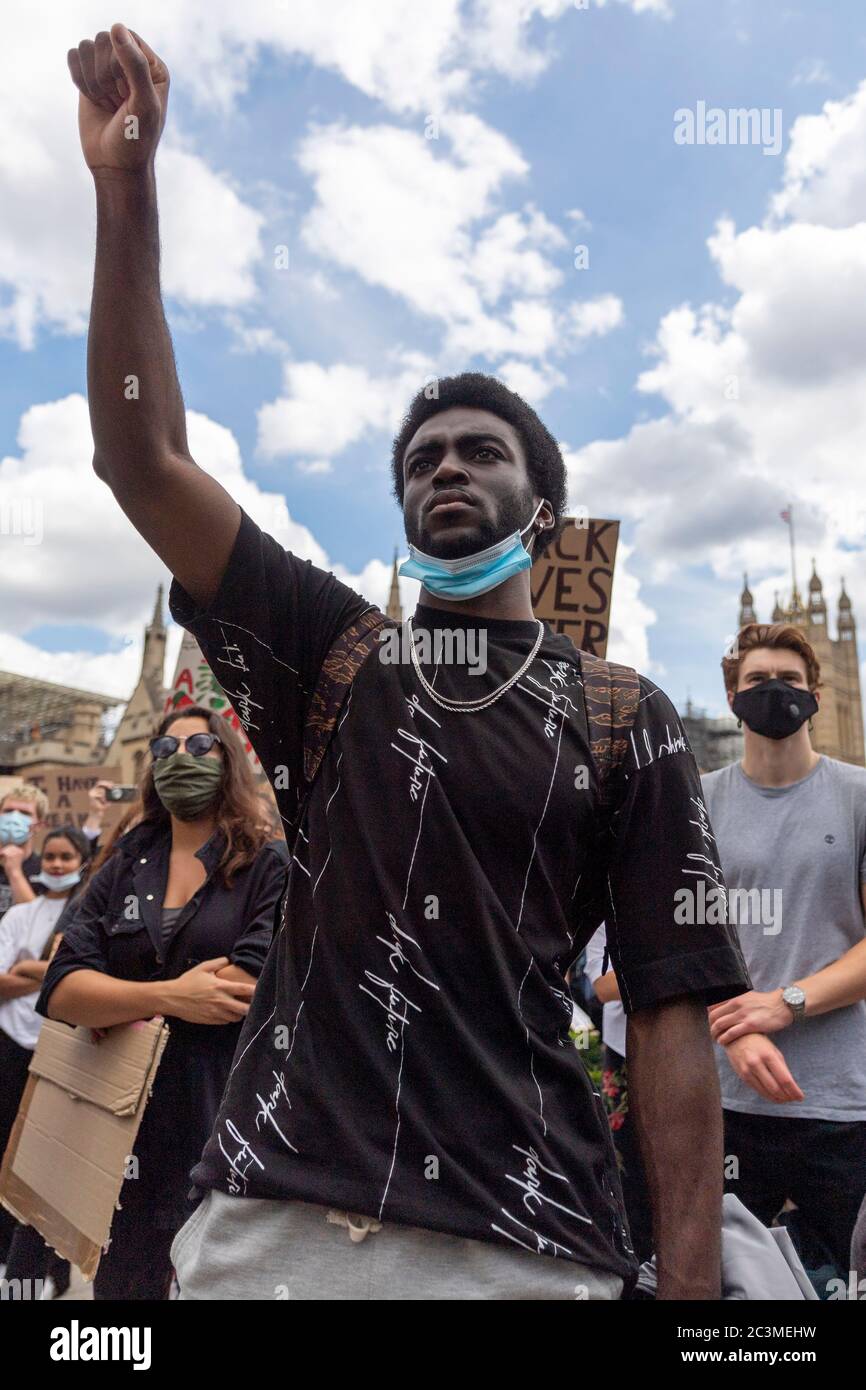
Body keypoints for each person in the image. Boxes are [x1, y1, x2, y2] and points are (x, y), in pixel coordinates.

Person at [67, 23, 750, 1301]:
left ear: (539, 511)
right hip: (274, 1222)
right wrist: (126, 191)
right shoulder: (333, 657)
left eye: (481, 450)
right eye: (422, 455)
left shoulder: (625, 716)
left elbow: (668, 1013)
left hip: (524, 1243)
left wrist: (693, 1295)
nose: (447, 464)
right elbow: (140, 458)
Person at [35, 707, 286, 1300]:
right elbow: (63, 987)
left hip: (220, 1119)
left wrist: (114, 1000)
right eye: (166, 748)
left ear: (227, 761)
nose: (182, 758)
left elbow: (238, 990)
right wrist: (171, 995)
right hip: (121, 1124)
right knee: (123, 1291)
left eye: (200, 745)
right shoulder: (125, 861)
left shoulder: (264, 863)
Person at [702, 622, 866, 1287]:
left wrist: (785, 1004)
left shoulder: (858, 794)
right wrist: (733, 1024)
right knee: (720, 1285)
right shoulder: (698, 800)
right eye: (757, 681)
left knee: (842, 1278)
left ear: (819, 692)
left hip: (839, 1102)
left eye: (791, 680)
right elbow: (682, 941)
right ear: (733, 695)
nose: (775, 693)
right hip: (722, 1097)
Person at [0, 826, 91, 1281]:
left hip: (61, 1054)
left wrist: (30, 969)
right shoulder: (19, 917)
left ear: (82, 861)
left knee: (49, 1169)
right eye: (50, 857)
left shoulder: (88, 914)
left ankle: (51, 1269)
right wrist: (55, 973)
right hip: (12, 1049)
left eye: (66, 858)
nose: (56, 866)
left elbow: (84, 978)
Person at [584, 926, 653, 1264]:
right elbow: (604, 986)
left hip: (699, 1051)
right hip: (623, 1052)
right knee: (628, 1170)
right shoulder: (609, 898)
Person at [0, 784, 50, 921]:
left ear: (39, 825)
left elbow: (37, 922)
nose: (14, 817)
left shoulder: (46, 869)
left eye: (25, 813)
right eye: (8, 811)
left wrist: (15, 873)